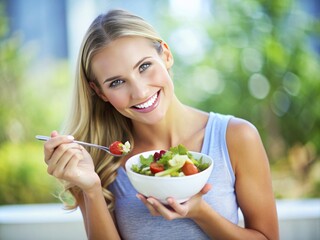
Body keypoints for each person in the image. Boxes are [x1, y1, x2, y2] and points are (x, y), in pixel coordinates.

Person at [42, 9, 279, 240]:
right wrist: (91, 190)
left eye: (144, 67)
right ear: (100, 92)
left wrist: (201, 213)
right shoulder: (99, 161)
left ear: (166, 55)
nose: (140, 91)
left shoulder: (236, 137)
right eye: (116, 82)